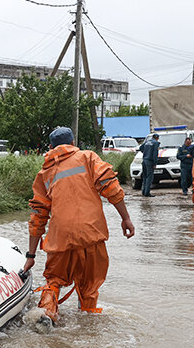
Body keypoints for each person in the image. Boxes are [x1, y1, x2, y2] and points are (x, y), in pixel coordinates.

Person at [23, 127, 135, 324]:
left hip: (60, 238)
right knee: (89, 287)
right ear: (73, 143)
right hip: (91, 233)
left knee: (54, 281)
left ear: (50, 147)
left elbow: (38, 216)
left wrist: (31, 256)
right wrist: (125, 218)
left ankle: (47, 314)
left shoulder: (45, 173)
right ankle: (88, 323)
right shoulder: (88, 157)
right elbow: (111, 187)